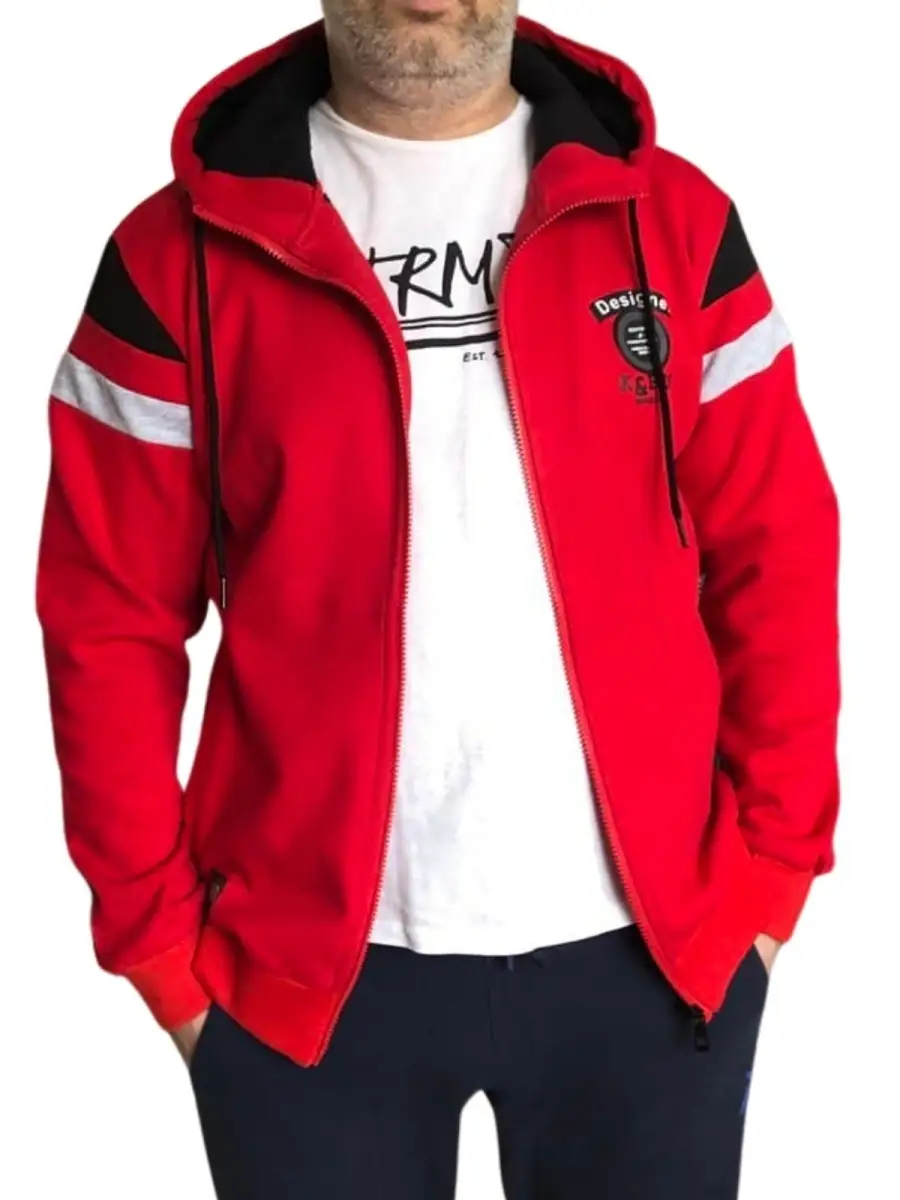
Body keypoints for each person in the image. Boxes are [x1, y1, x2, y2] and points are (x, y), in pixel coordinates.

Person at [36, 2, 840, 1196]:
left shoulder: (676, 223)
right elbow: (107, 613)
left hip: (658, 961)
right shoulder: (172, 259)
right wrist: (156, 942)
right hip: (296, 981)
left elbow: (780, 548)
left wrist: (770, 875)